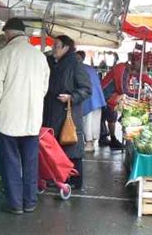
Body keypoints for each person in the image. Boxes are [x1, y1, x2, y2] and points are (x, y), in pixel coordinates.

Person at [0, 18, 50, 215]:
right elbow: (44, 88)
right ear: (24, 34)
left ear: (7, 34)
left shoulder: (4, 55)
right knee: (30, 161)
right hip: (32, 119)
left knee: (10, 162)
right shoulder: (40, 57)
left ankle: (15, 204)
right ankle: (30, 202)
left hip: (8, 119)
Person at [43, 35, 92, 190]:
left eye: (56, 46)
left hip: (67, 113)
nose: (53, 49)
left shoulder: (75, 64)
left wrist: (71, 97)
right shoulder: (51, 62)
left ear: (66, 48)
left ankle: (74, 180)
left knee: (70, 145)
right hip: (51, 111)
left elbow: (86, 89)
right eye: (53, 46)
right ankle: (58, 178)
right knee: (55, 146)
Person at [99, 55, 152, 150]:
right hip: (106, 94)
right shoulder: (121, 69)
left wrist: (151, 83)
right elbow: (124, 90)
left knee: (105, 116)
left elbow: (140, 75)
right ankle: (112, 139)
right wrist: (139, 92)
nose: (135, 75)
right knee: (111, 115)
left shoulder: (127, 69)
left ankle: (103, 137)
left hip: (112, 94)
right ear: (133, 66)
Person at [76, 51, 106, 152]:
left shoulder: (78, 68)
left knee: (88, 122)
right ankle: (92, 143)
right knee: (95, 121)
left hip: (88, 99)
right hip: (98, 98)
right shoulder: (90, 68)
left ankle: (89, 144)